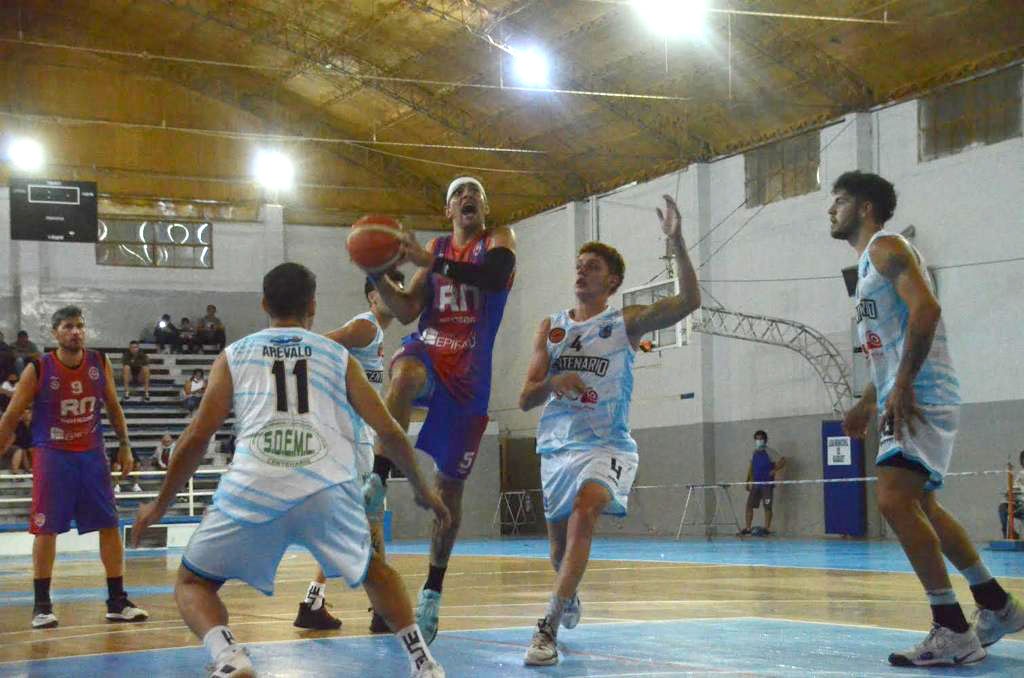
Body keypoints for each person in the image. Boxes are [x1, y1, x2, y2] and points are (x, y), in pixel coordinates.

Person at [131, 262, 449, 678]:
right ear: (313, 306)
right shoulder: (338, 356)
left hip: (255, 482)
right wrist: (423, 488)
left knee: (193, 583)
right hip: (325, 484)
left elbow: (195, 438)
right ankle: (423, 661)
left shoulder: (235, 355)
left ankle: (229, 655)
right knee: (375, 570)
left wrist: (159, 504)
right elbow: (388, 429)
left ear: (264, 303)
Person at [832, 170, 1024, 666]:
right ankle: (996, 605)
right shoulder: (867, 271)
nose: (831, 210)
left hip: (921, 392)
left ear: (866, 206)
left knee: (894, 500)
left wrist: (901, 385)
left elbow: (928, 310)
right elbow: (891, 345)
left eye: (840, 201)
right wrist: (871, 397)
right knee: (925, 507)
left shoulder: (886, 247)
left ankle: (953, 629)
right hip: (909, 389)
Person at [518, 195, 700, 666]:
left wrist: (676, 241)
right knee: (557, 550)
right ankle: (568, 589)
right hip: (557, 447)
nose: (581, 272)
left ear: (613, 280)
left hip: (606, 445)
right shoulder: (552, 329)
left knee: (585, 511)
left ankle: (547, 628)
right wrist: (554, 381)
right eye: (579, 265)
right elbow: (525, 397)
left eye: (592, 266)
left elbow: (688, 302)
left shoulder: (624, 323)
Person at [367, 176, 516, 644]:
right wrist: (376, 273)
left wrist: (432, 261)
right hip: (430, 349)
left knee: (448, 492)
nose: (467, 197)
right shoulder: (434, 249)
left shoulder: (499, 240)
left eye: (475, 194)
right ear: (448, 208)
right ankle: (377, 478)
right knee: (404, 375)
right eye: (458, 194)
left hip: (469, 375)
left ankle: (433, 589)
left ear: (484, 209)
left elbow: (492, 278)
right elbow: (408, 309)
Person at [0, 306, 148, 629]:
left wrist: (125, 444)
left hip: (92, 454)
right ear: (55, 333)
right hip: (53, 455)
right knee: (46, 529)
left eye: (80, 326)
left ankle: (117, 600)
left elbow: (112, 405)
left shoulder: (99, 362)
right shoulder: (39, 369)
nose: (75, 332)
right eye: (68, 326)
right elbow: (11, 417)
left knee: (110, 524)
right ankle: (42, 605)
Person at [295, 269, 406, 632]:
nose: (399, 294)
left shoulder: (375, 334)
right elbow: (315, 347)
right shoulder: (366, 326)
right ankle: (383, 611)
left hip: (352, 436)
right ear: (373, 297)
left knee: (349, 523)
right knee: (372, 515)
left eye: (400, 288)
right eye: (390, 289)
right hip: (351, 438)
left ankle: (313, 603)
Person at [740, 430, 787, 536]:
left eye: (760, 439)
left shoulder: (770, 452)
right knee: (749, 506)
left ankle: (767, 528)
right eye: (757, 439)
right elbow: (751, 467)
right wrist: (748, 481)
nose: (758, 441)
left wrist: (774, 470)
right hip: (756, 484)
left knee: (767, 506)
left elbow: (783, 461)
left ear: (765, 440)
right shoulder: (754, 452)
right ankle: (748, 528)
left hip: (767, 484)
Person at [998, 451, 1024, 539]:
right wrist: (1009, 491)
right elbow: (1015, 487)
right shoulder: (1020, 474)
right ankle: (1008, 534)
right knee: (1002, 507)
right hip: (1019, 502)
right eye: (1022, 460)